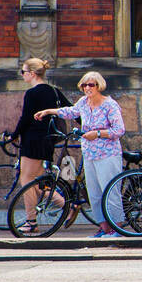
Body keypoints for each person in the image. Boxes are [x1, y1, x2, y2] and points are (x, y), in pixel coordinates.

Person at [34, 71, 125, 238]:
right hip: (90, 154)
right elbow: (70, 111)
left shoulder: (109, 105)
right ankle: (104, 228)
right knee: (94, 193)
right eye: (84, 85)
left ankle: (116, 228)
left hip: (108, 154)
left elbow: (119, 130)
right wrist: (48, 111)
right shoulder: (84, 102)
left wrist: (97, 134)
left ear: (99, 86)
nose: (87, 88)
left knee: (110, 192)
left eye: (91, 85)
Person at [8, 58, 67, 227]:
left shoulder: (32, 93)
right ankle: (68, 206)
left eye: (23, 72)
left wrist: (14, 135)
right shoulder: (54, 91)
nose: (22, 75)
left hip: (33, 140)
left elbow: (26, 118)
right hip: (48, 140)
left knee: (26, 180)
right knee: (39, 182)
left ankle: (31, 221)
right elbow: (70, 110)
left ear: (32, 74)